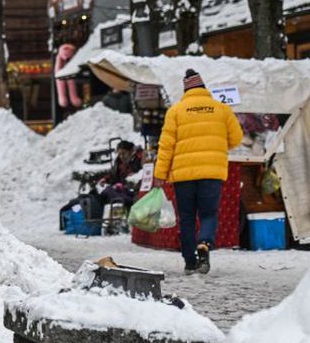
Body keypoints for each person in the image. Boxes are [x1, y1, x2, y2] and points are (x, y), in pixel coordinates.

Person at [152, 70, 243, 275]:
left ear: (186, 90)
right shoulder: (222, 109)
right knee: (209, 214)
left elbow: (166, 147)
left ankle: (190, 261)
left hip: (183, 177)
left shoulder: (175, 111)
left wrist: (159, 175)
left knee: (186, 218)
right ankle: (204, 244)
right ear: (204, 88)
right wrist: (217, 143)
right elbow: (237, 138)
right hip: (212, 173)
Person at [100, 140, 143, 207]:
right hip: (122, 190)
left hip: (134, 192)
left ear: (131, 151)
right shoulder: (119, 161)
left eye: (124, 153)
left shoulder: (138, 159)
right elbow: (113, 175)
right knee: (106, 192)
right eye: (119, 154)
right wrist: (105, 179)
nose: (121, 156)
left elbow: (142, 175)